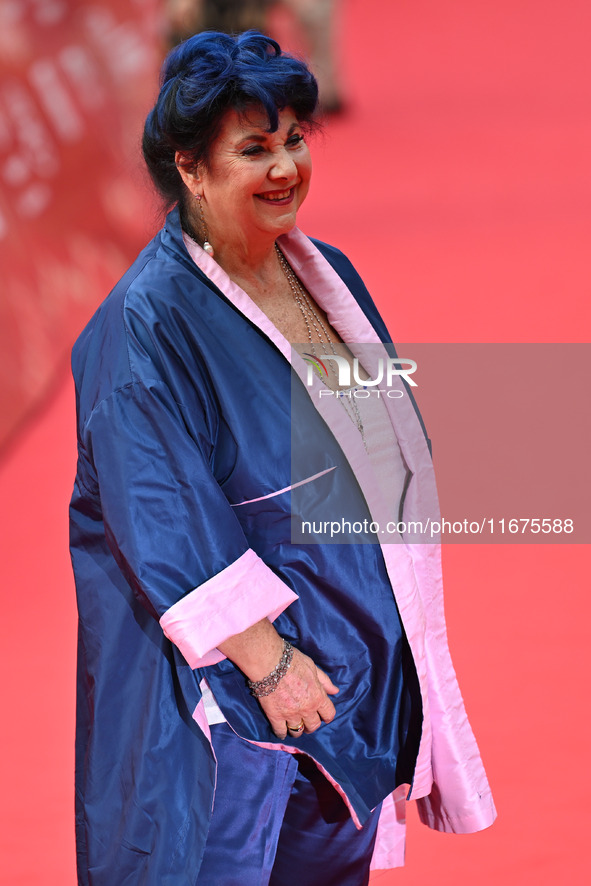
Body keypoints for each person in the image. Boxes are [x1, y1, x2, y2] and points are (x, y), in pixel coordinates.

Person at [70, 30, 496, 886]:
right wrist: (270, 666)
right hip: (239, 698)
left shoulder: (318, 271)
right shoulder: (144, 327)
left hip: (346, 670)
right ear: (189, 168)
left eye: (294, 141)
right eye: (252, 150)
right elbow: (162, 516)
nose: (284, 169)